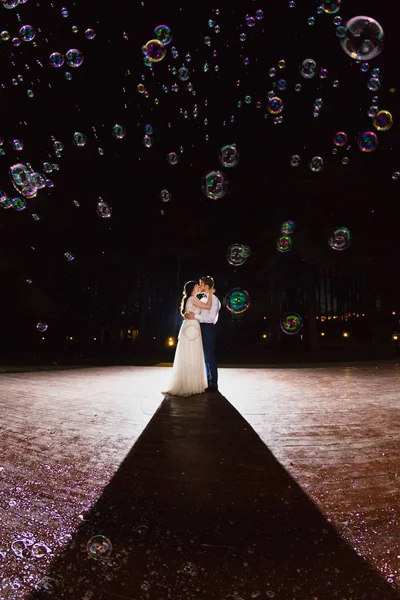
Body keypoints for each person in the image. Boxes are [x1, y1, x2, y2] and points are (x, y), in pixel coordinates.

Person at [163, 280, 216, 397]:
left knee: (189, 353)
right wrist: (211, 293)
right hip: (192, 328)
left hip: (190, 327)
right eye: (197, 286)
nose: (199, 287)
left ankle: (187, 382)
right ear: (192, 289)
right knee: (192, 353)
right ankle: (191, 384)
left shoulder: (191, 299)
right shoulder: (193, 299)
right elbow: (207, 306)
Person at [184, 276, 221, 393]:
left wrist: (195, 316)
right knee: (204, 356)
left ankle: (213, 383)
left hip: (207, 328)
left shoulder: (214, 300)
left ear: (207, 286)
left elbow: (210, 318)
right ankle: (208, 381)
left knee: (209, 355)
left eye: (201, 284)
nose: (199, 286)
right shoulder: (203, 298)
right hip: (199, 328)